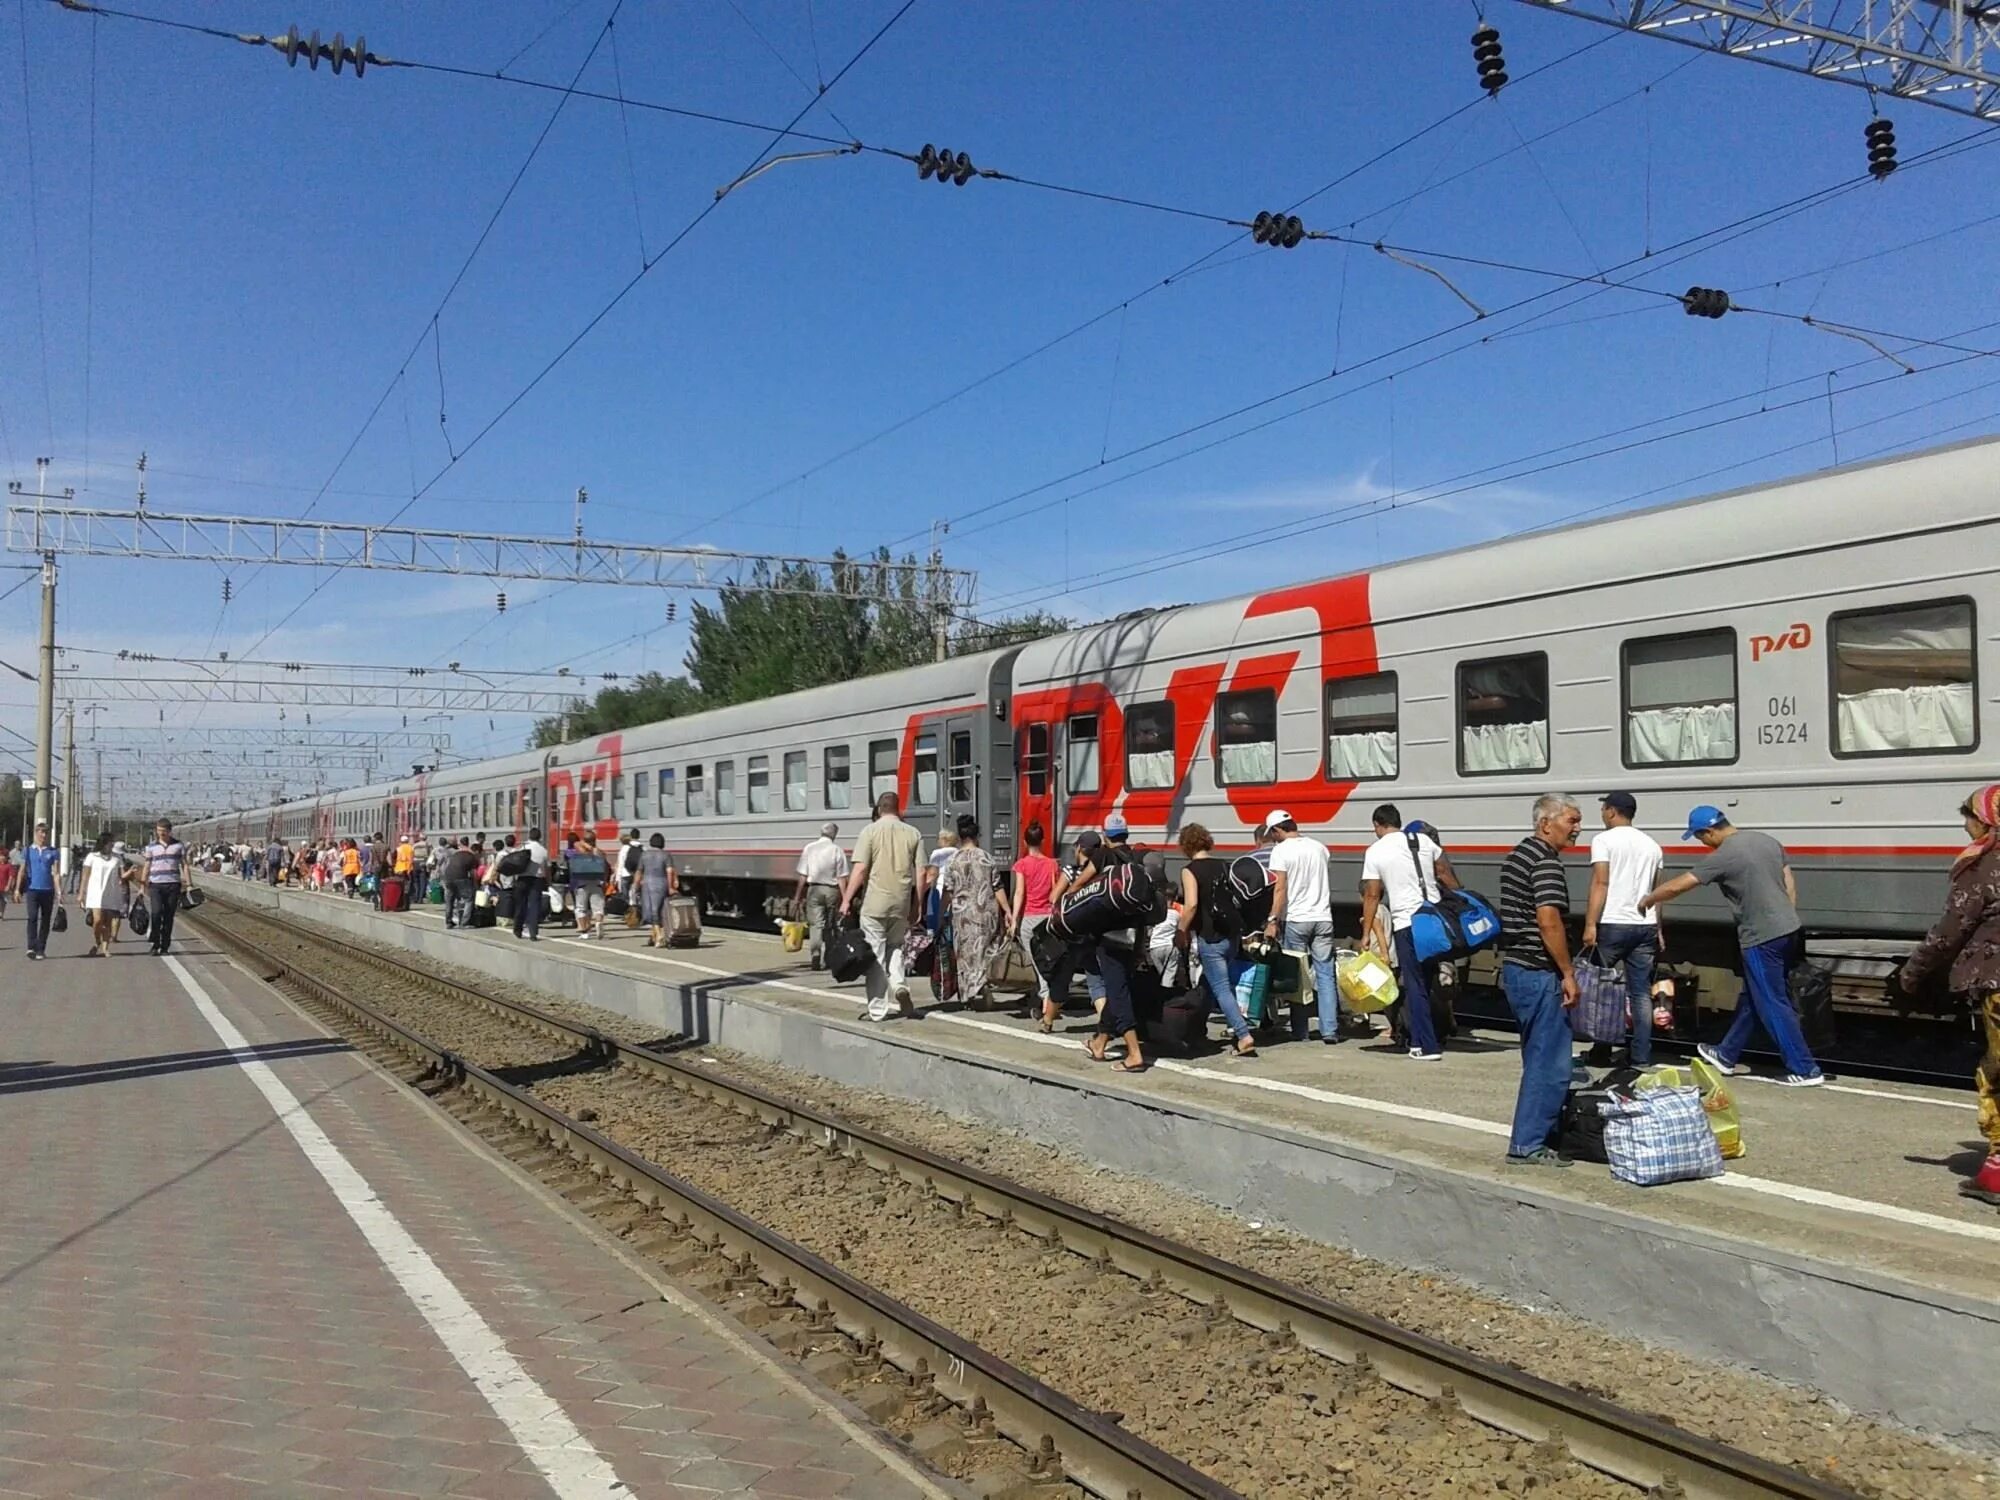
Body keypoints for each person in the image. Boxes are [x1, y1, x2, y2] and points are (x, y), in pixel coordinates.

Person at [1641, 806, 1822, 1086]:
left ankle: (1805, 1068)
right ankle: (1726, 1054)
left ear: (1709, 831)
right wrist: (1787, 913)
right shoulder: (1767, 841)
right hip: (1789, 928)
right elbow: (1788, 880)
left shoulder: (1724, 855)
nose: (1702, 843)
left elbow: (1681, 885)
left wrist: (1648, 899)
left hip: (1761, 937)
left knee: (1772, 1001)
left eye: (1700, 837)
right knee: (1754, 996)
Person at [1899, 785, 2000, 1204]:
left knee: (1996, 1076)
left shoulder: (1984, 864)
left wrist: (1913, 973)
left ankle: (1997, 1173)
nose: (1965, 826)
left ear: (1987, 821)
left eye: (1969, 817)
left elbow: (1950, 931)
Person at [1498, 794, 1584, 1168]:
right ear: (1546, 823)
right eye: (1572, 820)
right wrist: (1567, 972)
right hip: (1538, 972)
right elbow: (1548, 920)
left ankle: (1531, 1137)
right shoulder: (1546, 864)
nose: (1578, 828)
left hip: (1518, 969)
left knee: (1537, 1057)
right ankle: (1528, 1144)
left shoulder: (1518, 855)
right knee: (1550, 1063)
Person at [1358, 804, 1461, 1062]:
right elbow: (1444, 872)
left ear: (1378, 825)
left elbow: (1372, 894)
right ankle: (1427, 1037)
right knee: (1431, 981)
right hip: (1434, 921)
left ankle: (1426, 1045)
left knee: (1415, 985)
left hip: (1407, 923)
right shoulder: (1422, 840)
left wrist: (1366, 931)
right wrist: (1460, 900)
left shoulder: (1375, 850)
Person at [1582, 791, 1664, 1067]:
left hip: (1613, 923)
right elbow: (1656, 893)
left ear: (1612, 811)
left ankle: (1601, 1050)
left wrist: (1590, 923)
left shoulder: (1603, 840)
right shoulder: (1652, 845)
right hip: (1645, 925)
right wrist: (1659, 928)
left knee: (1602, 989)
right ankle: (1641, 1056)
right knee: (1640, 993)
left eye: (1604, 808)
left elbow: (1600, 883)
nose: (1602, 813)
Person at [1260, 810, 1342, 1044]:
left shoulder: (1281, 851)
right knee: (1325, 974)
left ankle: (1300, 1030)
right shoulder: (1319, 847)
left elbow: (1280, 889)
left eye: (1272, 833)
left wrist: (1272, 919)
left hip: (1297, 918)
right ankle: (1330, 1030)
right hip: (1323, 917)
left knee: (1298, 974)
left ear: (1277, 830)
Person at [840, 791, 923, 1019]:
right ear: (899, 809)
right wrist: (919, 904)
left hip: (875, 903)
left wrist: (846, 899)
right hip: (901, 903)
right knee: (895, 947)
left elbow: (860, 869)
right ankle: (899, 985)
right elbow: (922, 872)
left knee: (876, 954)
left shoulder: (869, 831)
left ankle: (878, 1010)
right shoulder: (913, 833)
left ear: (879, 808)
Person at [1177, 823, 1257, 1057]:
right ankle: (1195, 1029)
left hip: (1210, 936)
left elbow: (1191, 904)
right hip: (1231, 934)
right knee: (1208, 984)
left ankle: (1243, 1035)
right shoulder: (1223, 865)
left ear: (1185, 845)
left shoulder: (1189, 870)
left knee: (1221, 988)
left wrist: (1180, 931)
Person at [1081, 815, 1148, 1072]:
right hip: (1132, 936)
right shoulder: (1135, 859)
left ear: (1105, 836)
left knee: (1118, 993)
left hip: (1109, 936)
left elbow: (1079, 885)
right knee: (1117, 986)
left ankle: (1134, 1053)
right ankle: (1099, 1043)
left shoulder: (1102, 857)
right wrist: (1141, 944)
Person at [937, 815, 1009, 1010]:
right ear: (977, 835)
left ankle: (967, 996)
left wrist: (941, 915)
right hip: (986, 913)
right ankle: (984, 983)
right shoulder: (987, 858)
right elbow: (998, 887)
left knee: (965, 955)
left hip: (963, 916)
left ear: (960, 837)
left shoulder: (953, 861)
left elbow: (947, 891)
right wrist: (1008, 911)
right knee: (985, 951)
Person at [1008, 820, 1060, 1030]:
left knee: (1039, 966)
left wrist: (1014, 919)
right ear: (1043, 840)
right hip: (1047, 918)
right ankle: (1046, 1003)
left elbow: (1020, 892)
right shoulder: (1052, 864)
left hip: (1029, 918)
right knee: (1049, 962)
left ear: (1024, 841)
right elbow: (1055, 892)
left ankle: (1047, 1004)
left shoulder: (1022, 865)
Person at [793, 823, 850, 970]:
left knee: (816, 925)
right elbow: (841, 878)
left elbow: (803, 875)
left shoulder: (809, 848)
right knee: (830, 926)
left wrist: (797, 896)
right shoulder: (837, 850)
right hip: (831, 891)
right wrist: (845, 899)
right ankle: (828, 958)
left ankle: (815, 955)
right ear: (835, 834)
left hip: (814, 890)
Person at [142, 818, 193, 956]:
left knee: (168, 916)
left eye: (163, 831)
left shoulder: (178, 846)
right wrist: (143, 883)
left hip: (173, 885)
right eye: (159, 831)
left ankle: (165, 945)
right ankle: (155, 943)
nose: (161, 834)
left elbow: (185, 865)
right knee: (156, 913)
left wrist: (189, 885)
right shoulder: (151, 847)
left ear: (169, 831)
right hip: (155, 885)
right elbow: (147, 865)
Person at [15, 821, 63, 960]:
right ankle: (31, 947)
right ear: (36, 833)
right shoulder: (28, 850)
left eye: (45, 832)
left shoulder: (53, 851)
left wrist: (59, 892)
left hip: (48, 890)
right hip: (32, 890)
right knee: (32, 917)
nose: (43, 835)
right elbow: (22, 871)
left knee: (46, 920)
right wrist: (17, 889)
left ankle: (41, 948)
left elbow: (56, 873)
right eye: (41, 832)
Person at [80, 832, 127, 957]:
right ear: (104, 843)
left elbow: (122, 875)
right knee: (97, 921)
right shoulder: (92, 856)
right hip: (95, 892)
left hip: (111, 892)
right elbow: (85, 876)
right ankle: (97, 941)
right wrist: (81, 893)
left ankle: (105, 948)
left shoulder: (117, 858)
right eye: (110, 842)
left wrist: (131, 875)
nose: (112, 844)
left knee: (108, 922)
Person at [567, 831, 611, 939]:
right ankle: (598, 922)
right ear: (595, 840)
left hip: (582, 882)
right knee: (598, 907)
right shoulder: (599, 853)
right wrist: (604, 880)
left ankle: (584, 932)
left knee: (581, 908)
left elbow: (576, 844)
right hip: (597, 882)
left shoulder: (579, 851)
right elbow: (605, 867)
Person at [637, 833, 676, 947]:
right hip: (662, 882)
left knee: (651, 910)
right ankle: (655, 935)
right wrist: (670, 886)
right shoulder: (666, 855)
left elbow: (639, 871)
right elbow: (669, 871)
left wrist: (635, 885)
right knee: (660, 909)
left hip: (648, 884)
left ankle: (659, 936)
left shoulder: (644, 855)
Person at [512, 826, 550, 941]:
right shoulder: (543, 851)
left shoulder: (522, 847)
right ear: (540, 837)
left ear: (529, 836)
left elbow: (515, 863)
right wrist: (548, 881)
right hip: (537, 879)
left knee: (520, 904)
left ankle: (517, 929)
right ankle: (533, 932)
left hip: (523, 879)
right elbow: (546, 869)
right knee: (534, 905)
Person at [442, 838, 479, 929]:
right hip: (460, 877)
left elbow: (447, 866)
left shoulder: (455, 854)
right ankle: (464, 923)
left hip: (448, 877)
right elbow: (474, 873)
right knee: (469, 899)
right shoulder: (472, 856)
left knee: (449, 900)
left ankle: (448, 922)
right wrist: (476, 885)